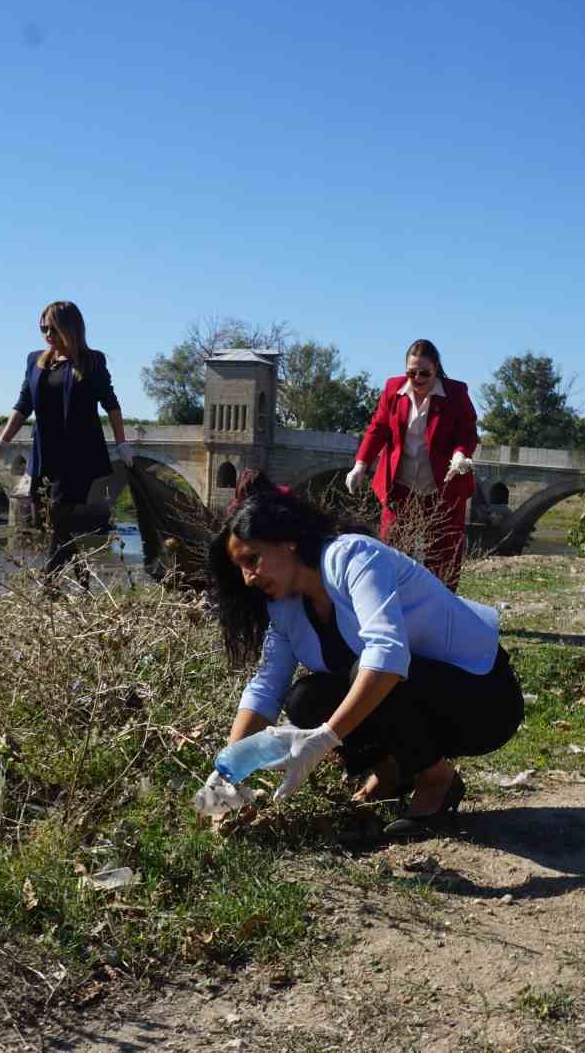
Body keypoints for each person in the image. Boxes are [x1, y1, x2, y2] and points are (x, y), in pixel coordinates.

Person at [207, 475, 523, 834]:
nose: (248, 578)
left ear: (287, 542)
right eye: (241, 569)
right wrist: (227, 772)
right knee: (305, 699)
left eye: (253, 559)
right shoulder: (286, 609)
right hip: (420, 700)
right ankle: (392, 774)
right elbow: (266, 688)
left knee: (371, 670)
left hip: (483, 701)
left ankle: (438, 780)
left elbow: (387, 655)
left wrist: (323, 740)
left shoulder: (353, 556)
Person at [0, 300, 134, 577]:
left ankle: (47, 586)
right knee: (47, 523)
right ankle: (83, 579)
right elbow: (23, 405)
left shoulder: (92, 360)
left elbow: (111, 403)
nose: (46, 334)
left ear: (69, 328)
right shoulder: (35, 361)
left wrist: (122, 443)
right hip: (45, 452)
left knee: (59, 517)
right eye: (42, 328)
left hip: (79, 454)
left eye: (52, 328)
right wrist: (0, 443)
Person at [346, 339, 479, 590]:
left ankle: (442, 609)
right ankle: (396, 603)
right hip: (401, 486)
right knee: (393, 549)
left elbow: (467, 433)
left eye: (424, 373)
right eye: (411, 372)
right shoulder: (393, 390)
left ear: (436, 368)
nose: (417, 378)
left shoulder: (455, 393)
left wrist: (461, 454)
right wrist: (360, 464)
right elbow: (378, 429)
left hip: (442, 487)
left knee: (443, 553)